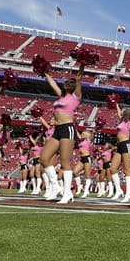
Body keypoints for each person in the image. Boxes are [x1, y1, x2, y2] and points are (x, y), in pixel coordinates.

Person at [40, 64, 85, 203]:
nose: (68, 84)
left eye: (71, 83)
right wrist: (45, 73)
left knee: (65, 162)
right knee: (44, 158)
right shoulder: (61, 96)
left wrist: (82, 64)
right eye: (66, 82)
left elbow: (78, 79)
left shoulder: (76, 97)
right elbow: (52, 83)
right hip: (57, 130)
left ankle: (67, 193)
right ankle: (56, 186)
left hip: (67, 128)